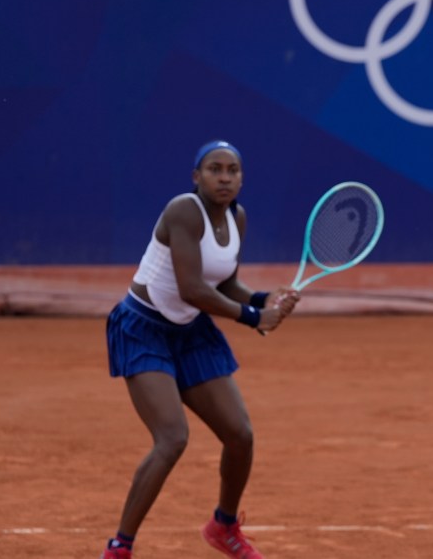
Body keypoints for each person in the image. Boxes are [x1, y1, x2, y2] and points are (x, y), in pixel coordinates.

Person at [101, 140, 300, 559]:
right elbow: (192, 288)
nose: (224, 177)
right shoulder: (182, 211)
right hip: (144, 328)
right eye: (214, 169)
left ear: (241, 178)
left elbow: (224, 283)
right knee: (172, 438)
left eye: (232, 170)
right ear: (197, 176)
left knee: (240, 435)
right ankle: (120, 546)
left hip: (190, 333)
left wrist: (263, 299)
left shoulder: (237, 218)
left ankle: (223, 527)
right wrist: (251, 317)